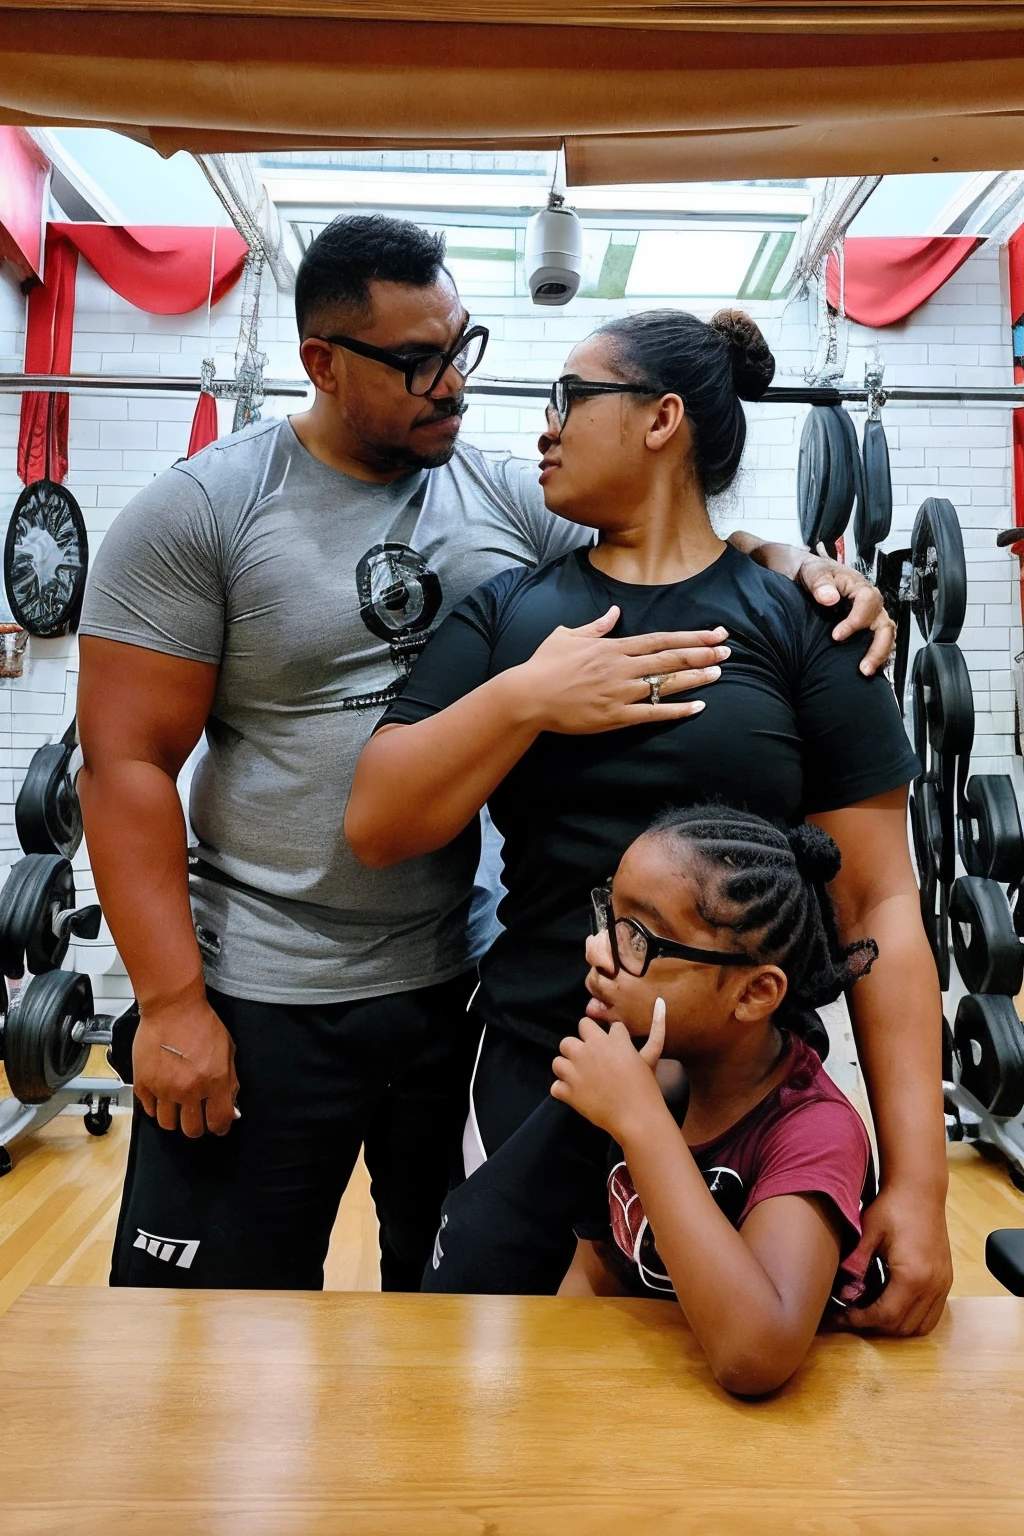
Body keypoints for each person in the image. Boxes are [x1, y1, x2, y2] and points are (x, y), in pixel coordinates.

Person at [76, 214, 889, 1292]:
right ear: (320, 362)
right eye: (417, 362)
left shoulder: (500, 495)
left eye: (460, 345)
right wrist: (174, 1002)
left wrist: (787, 560)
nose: (452, 383)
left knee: (442, 1315)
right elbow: (125, 764)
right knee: (215, 1316)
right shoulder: (202, 512)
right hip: (258, 988)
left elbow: (660, 544)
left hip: (451, 990)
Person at [347, 306, 952, 1334]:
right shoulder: (507, 612)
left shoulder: (803, 619)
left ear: (661, 418)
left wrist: (920, 1181)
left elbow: (879, 907)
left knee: (736, 1400)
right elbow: (377, 822)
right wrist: (529, 698)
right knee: (511, 1390)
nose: (545, 426)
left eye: (570, 400)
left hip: (749, 1092)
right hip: (547, 1066)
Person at [553, 808, 879, 1396]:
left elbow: (756, 1355)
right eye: (610, 916)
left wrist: (641, 1123)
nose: (598, 949)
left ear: (755, 992)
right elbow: (598, 1268)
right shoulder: (651, 1076)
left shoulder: (815, 1131)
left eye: (638, 938)